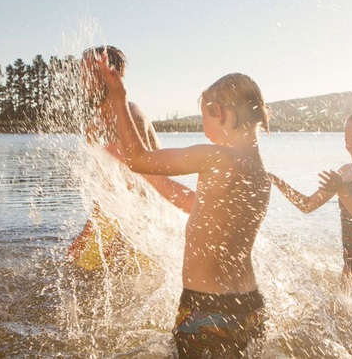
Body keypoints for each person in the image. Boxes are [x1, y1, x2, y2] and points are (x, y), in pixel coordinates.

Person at [96, 55, 270, 358]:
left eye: (204, 117)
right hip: (250, 307)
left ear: (218, 111)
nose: (204, 128)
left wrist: (119, 98)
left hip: (208, 308)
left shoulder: (216, 157)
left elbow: (138, 157)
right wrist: (139, 168)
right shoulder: (259, 172)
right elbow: (193, 203)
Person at [269, 107, 352, 298]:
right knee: (341, 321)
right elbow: (307, 205)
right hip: (350, 265)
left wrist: (342, 190)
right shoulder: (346, 172)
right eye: (346, 140)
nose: (349, 145)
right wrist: (274, 179)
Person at [66, 46, 160, 276]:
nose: (83, 81)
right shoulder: (94, 127)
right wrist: (88, 231)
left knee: (96, 273)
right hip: (115, 216)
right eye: (82, 74)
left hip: (144, 221)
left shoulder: (131, 117)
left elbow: (143, 188)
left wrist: (119, 238)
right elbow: (107, 187)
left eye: (91, 73)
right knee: (75, 266)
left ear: (112, 75)